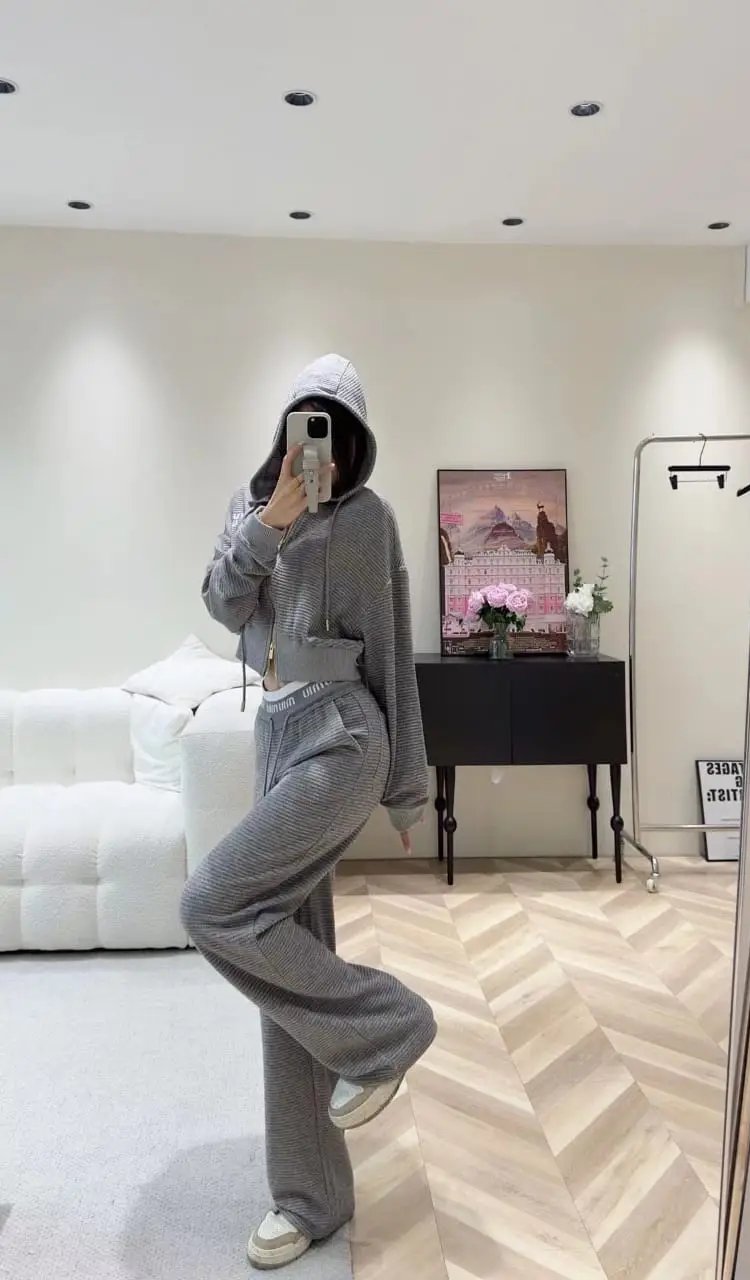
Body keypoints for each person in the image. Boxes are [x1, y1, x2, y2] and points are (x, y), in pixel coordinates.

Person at [180, 354, 437, 1271]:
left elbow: (393, 653)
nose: (319, 439)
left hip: (343, 734)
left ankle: (390, 1028)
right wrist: (270, 524)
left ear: (352, 435)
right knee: (283, 962)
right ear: (287, 431)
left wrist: (408, 785)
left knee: (211, 906)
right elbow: (223, 604)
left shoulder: (369, 520)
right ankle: (309, 1197)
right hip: (276, 736)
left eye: (334, 422)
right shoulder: (251, 509)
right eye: (306, 419)